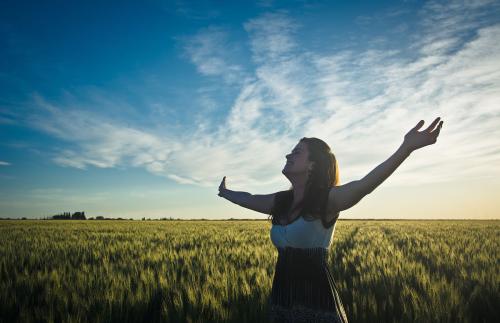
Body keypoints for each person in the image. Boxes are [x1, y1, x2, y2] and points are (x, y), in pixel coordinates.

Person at [218, 117, 444, 322]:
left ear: (313, 164)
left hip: (317, 304)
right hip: (282, 301)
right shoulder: (281, 201)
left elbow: (366, 185)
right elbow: (248, 198)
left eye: (297, 152)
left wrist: (406, 148)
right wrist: (226, 193)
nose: (288, 155)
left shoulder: (327, 199)